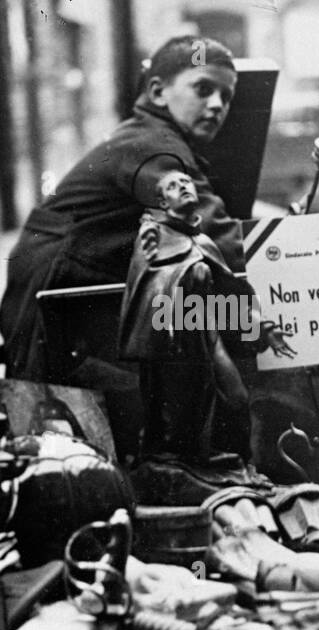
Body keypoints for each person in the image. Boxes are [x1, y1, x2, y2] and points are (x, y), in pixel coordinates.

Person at [0, 36, 245, 457]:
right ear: (157, 92)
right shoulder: (155, 148)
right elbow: (216, 238)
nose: (218, 104)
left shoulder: (150, 138)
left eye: (226, 95)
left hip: (63, 299)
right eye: (203, 89)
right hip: (55, 309)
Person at [119, 170, 294, 463]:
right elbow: (148, 287)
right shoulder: (154, 237)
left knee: (237, 401)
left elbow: (230, 295)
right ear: (163, 203)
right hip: (173, 349)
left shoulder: (204, 242)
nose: (183, 187)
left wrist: (263, 329)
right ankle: (189, 472)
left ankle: (237, 468)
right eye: (173, 187)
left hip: (208, 338)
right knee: (181, 422)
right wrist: (185, 274)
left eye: (186, 182)